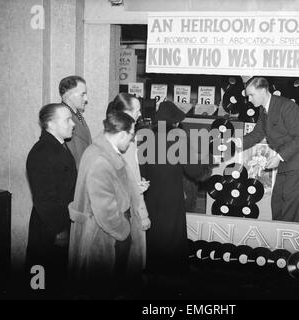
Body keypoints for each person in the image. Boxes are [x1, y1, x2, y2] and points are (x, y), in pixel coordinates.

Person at [68, 110, 148, 298]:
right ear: (121, 134)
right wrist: (125, 231)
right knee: (107, 289)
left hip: (110, 235)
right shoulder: (101, 160)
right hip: (107, 239)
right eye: (130, 136)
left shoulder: (102, 151)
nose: (131, 141)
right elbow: (105, 211)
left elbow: (116, 186)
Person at [140, 101, 210, 293]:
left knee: (153, 231)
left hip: (149, 193)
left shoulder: (145, 137)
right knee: (173, 232)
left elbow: (141, 169)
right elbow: (194, 170)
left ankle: (153, 271)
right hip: (171, 192)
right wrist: (207, 168)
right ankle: (173, 273)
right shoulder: (178, 138)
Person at [240, 76, 299, 222]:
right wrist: (235, 143)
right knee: (277, 200)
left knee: (290, 202)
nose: (249, 100)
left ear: (263, 90)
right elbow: (256, 134)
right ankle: (277, 231)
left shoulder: (287, 106)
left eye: (251, 95)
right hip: (287, 156)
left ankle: (286, 237)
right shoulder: (264, 110)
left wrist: (278, 157)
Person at [26, 103, 77, 296]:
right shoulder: (41, 152)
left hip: (61, 224)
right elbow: (44, 198)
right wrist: (60, 229)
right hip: (50, 229)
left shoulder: (59, 147)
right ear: (51, 124)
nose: (72, 124)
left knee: (57, 282)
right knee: (42, 284)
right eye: (67, 120)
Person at [106, 93, 151, 291]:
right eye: (136, 110)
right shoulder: (126, 141)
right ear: (124, 113)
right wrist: (143, 215)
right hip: (126, 212)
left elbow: (129, 175)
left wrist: (136, 183)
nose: (140, 114)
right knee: (127, 265)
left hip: (122, 208)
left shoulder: (116, 138)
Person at [59, 75, 92, 168]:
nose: (86, 99)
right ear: (68, 95)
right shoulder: (60, 119)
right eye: (82, 94)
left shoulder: (78, 115)